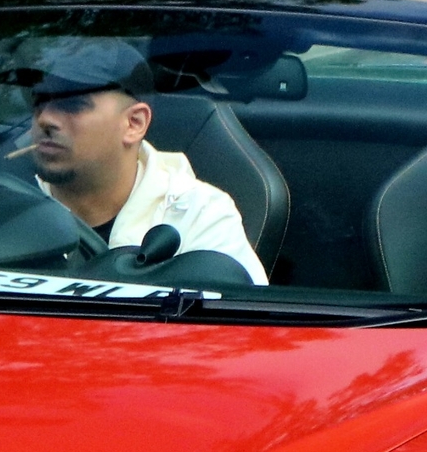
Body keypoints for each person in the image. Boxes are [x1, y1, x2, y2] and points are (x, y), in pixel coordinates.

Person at [17, 38, 268, 283]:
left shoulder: (197, 216)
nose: (45, 119)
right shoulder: (4, 201)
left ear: (134, 124)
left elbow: (241, 320)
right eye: (39, 100)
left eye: (72, 104)